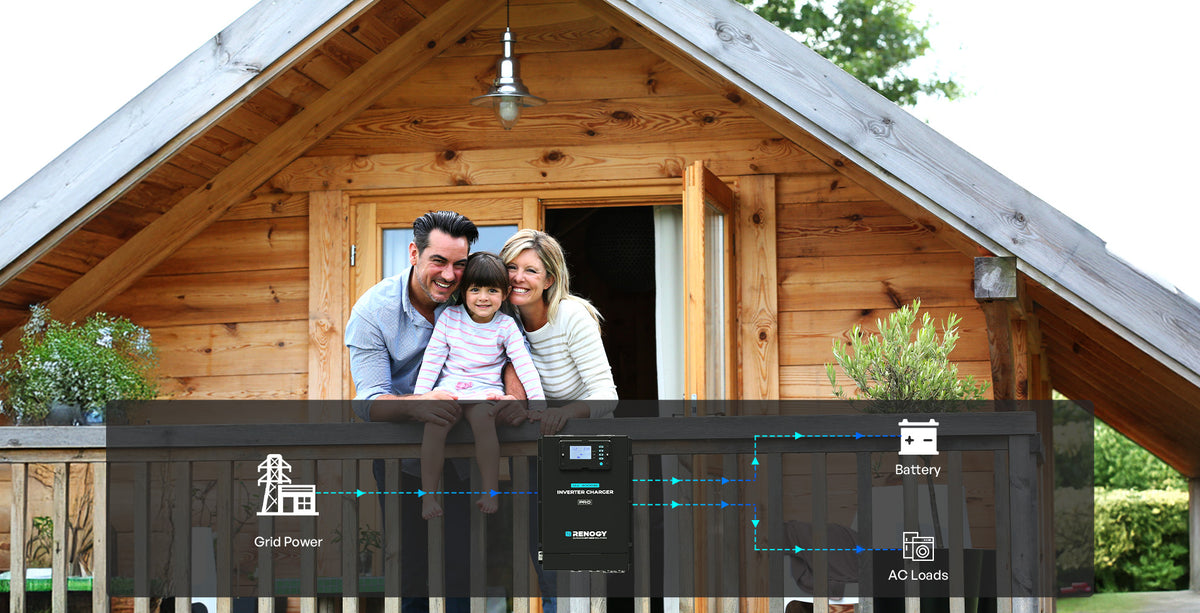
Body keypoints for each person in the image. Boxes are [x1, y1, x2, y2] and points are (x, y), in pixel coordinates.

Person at [345, 210, 522, 612]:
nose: (449, 275)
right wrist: (419, 406)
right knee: (410, 573)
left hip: (467, 448)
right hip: (402, 454)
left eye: (459, 264)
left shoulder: (477, 292)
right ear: (414, 253)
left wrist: (512, 399)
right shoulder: (372, 312)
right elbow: (368, 402)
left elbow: (512, 348)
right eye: (438, 261)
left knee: (464, 571)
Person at [413, 251, 544, 519]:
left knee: (485, 421)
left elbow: (524, 365)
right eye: (475, 289)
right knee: (435, 426)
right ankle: (428, 495)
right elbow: (432, 361)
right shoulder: (450, 318)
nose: (483, 297)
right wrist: (420, 399)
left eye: (492, 290)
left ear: (505, 294)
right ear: (463, 292)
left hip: (485, 394)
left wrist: (538, 404)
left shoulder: (506, 326)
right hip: (450, 392)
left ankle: (490, 490)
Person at [497, 228, 618, 431]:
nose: (518, 277)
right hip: (541, 435)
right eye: (511, 267)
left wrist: (565, 413)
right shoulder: (502, 319)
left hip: (591, 433)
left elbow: (607, 395)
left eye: (531, 270)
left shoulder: (571, 316)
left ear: (549, 280)